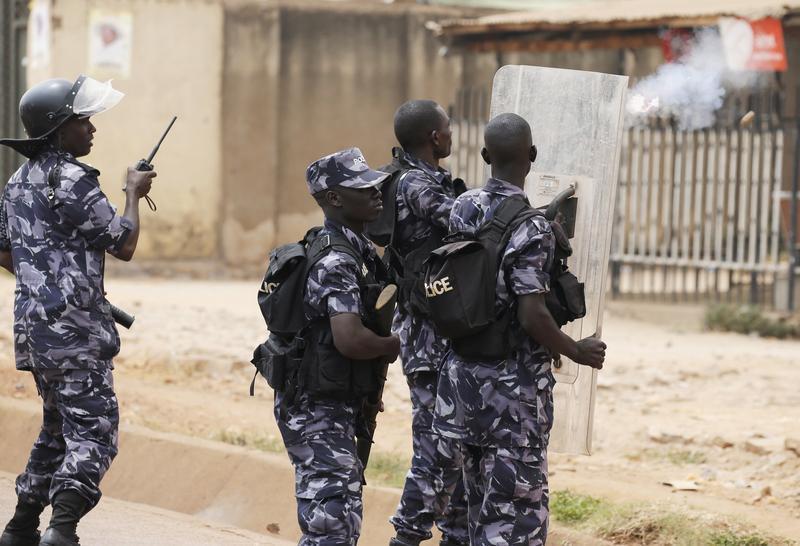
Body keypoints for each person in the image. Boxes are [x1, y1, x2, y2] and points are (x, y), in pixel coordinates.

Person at [432, 113, 606, 545]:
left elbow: (481, 275)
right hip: (511, 398)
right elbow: (532, 314)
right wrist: (576, 349)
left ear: (486, 155)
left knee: (478, 510)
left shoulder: (463, 206)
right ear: (532, 156)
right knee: (517, 523)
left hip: (462, 385)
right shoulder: (531, 227)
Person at [0, 75, 156, 546]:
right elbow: (123, 243)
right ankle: (62, 528)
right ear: (58, 128)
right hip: (76, 333)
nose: (92, 129)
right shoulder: (70, 177)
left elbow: (6, 250)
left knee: (56, 427)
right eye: (82, 120)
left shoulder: (18, 180)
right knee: (95, 431)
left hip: (35, 329)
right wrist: (133, 191)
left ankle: (22, 525)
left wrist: (47, 282)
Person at [274, 148, 400, 545]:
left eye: (375, 184)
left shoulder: (358, 250)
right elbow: (349, 338)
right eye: (361, 187)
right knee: (332, 526)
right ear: (334, 199)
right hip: (316, 408)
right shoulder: (336, 259)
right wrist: (391, 345)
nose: (376, 192)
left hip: (334, 400)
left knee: (337, 521)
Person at [383, 100, 468, 546]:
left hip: (444, 327)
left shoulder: (424, 178)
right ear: (434, 137)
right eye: (447, 127)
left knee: (458, 444)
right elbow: (463, 219)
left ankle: (454, 535)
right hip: (426, 333)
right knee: (438, 447)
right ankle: (407, 537)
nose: (452, 133)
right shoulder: (415, 182)